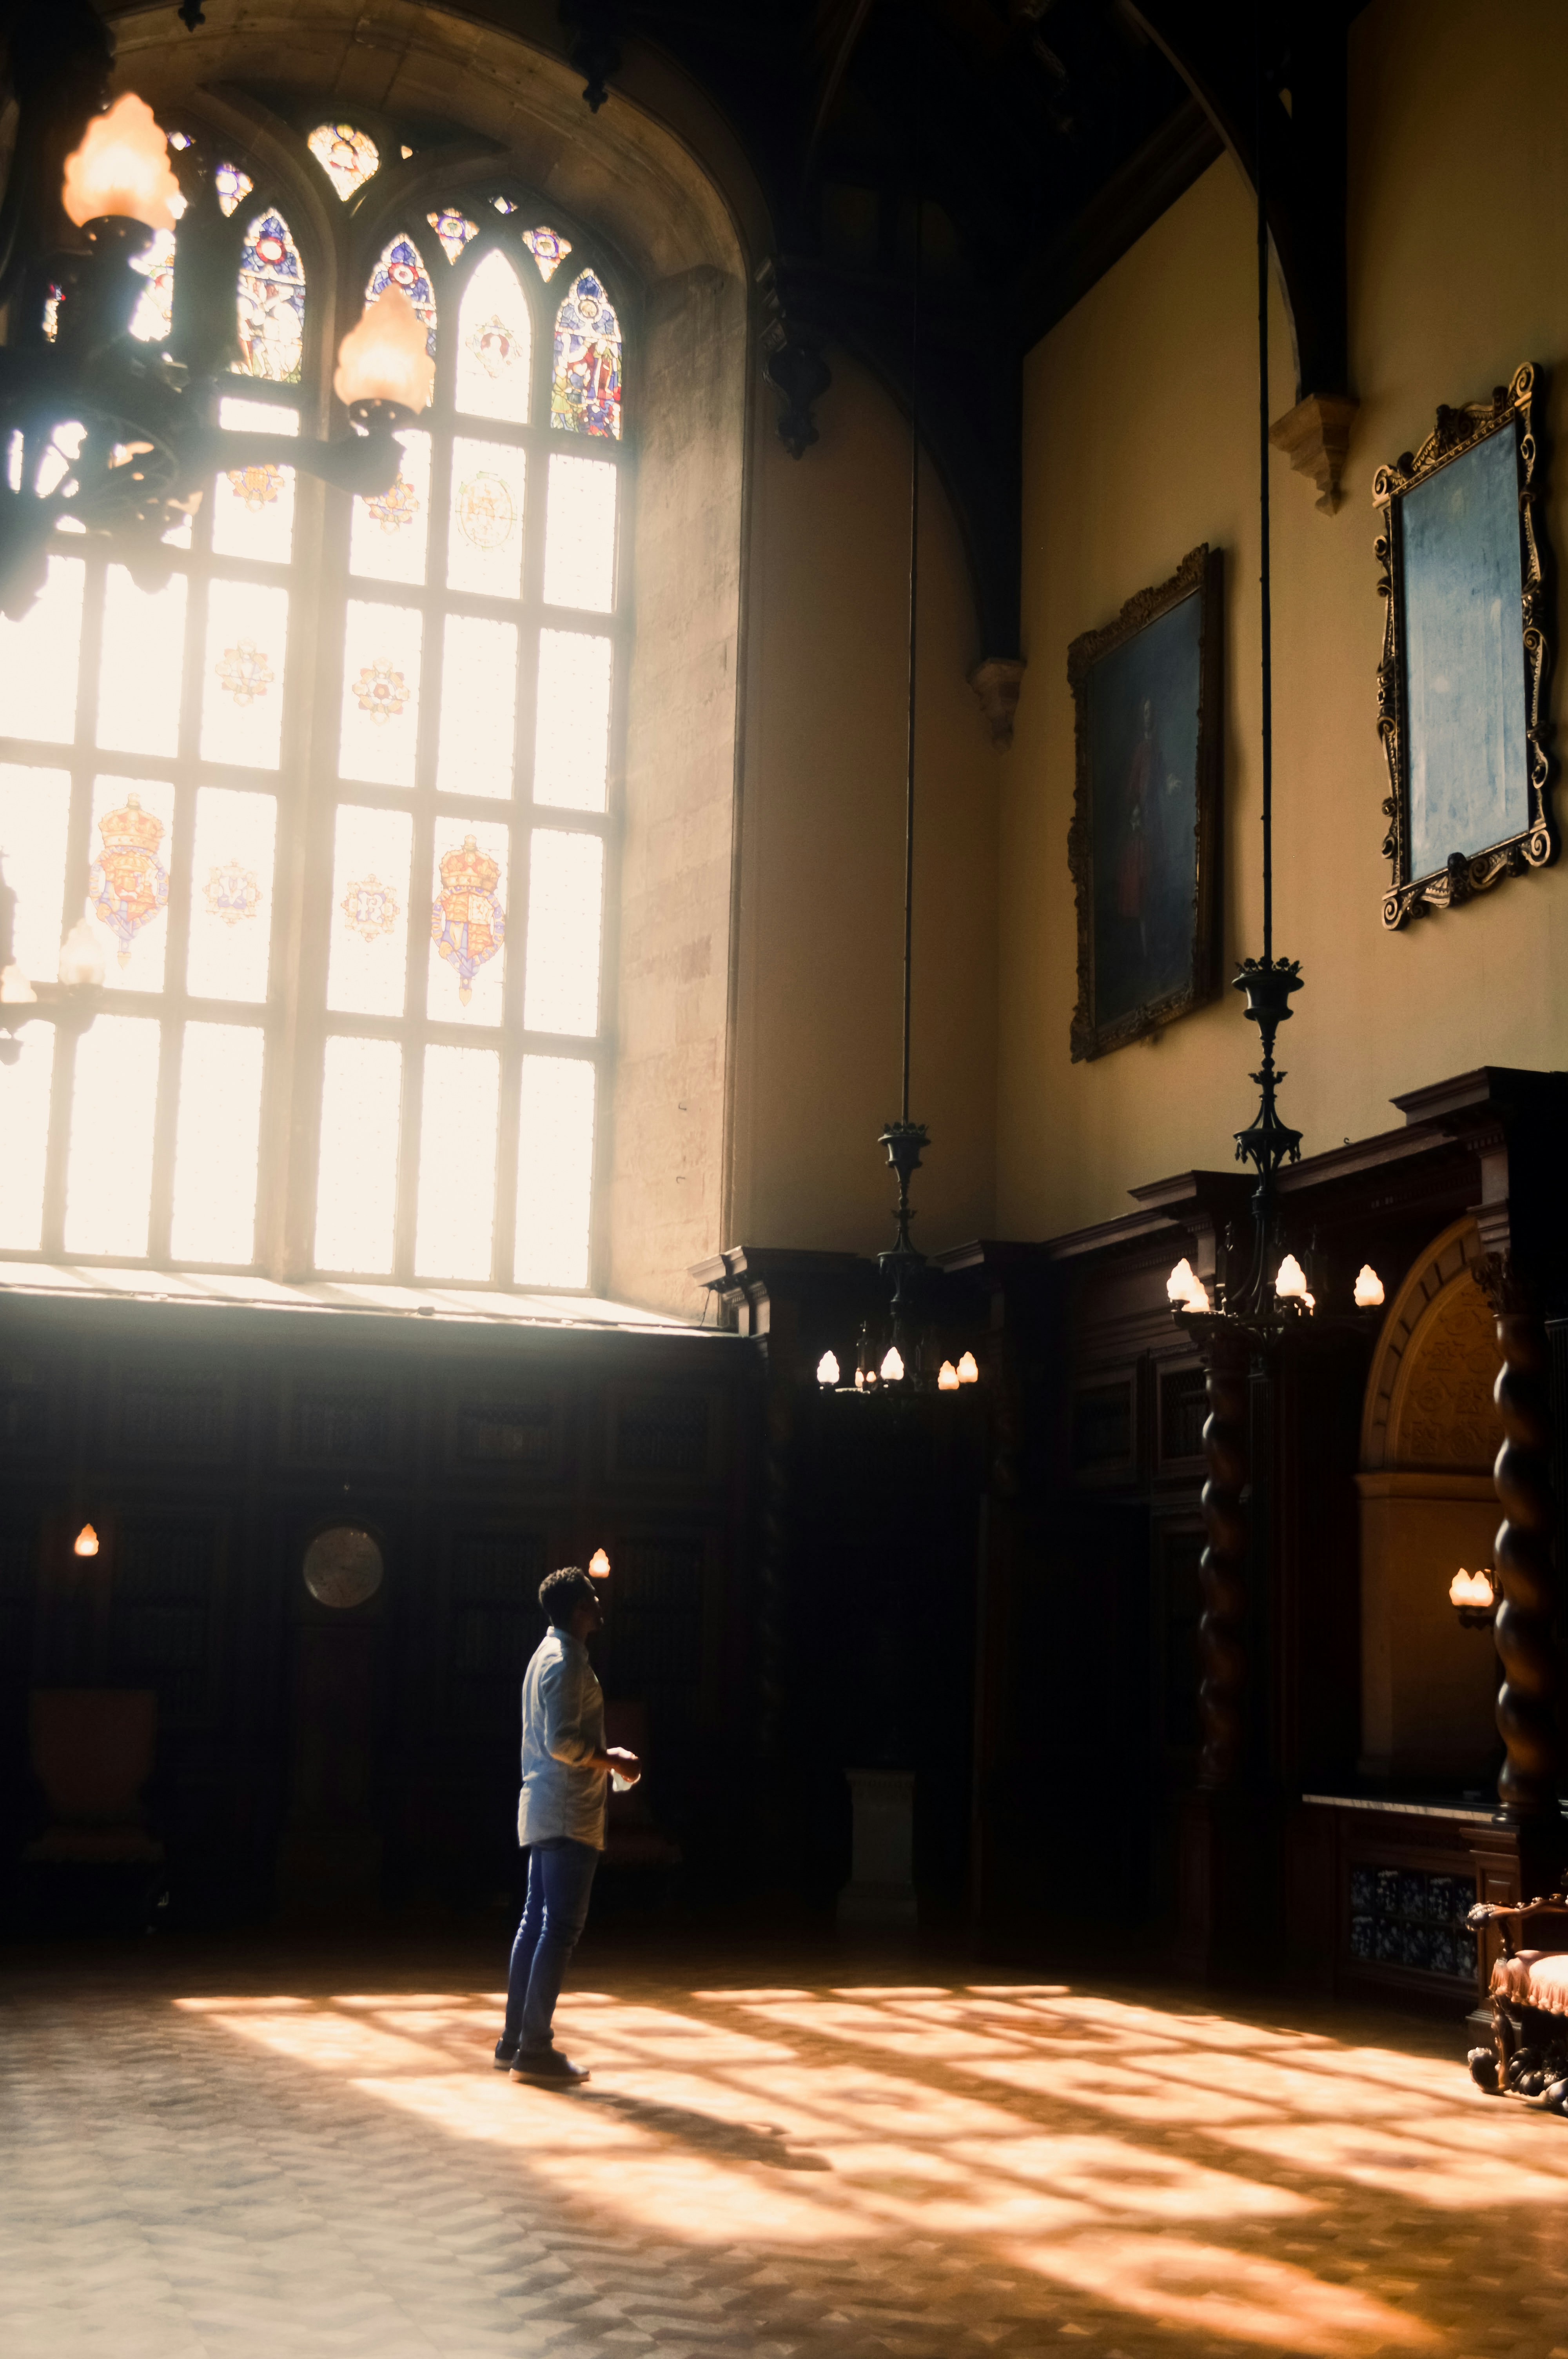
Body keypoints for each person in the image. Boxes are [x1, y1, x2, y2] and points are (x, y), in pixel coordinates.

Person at [494, 1567, 640, 2085]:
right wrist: (615, 1761)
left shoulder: (546, 1654)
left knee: (536, 1923)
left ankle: (514, 2040)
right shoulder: (569, 1662)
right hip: (567, 1811)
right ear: (580, 1609)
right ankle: (534, 2049)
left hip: (546, 1806)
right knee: (560, 1928)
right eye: (594, 1598)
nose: (601, 1604)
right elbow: (564, 1744)